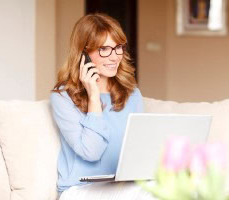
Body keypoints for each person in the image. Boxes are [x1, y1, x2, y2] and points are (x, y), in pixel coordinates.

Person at [50, 13, 154, 199]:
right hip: (79, 190)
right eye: (104, 49)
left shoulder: (132, 93)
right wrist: (94, 96)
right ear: (83, 54)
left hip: (123, 186)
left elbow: (138, 150)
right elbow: (92, 152)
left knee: (173, 187)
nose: (114, 57)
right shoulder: (62, 96)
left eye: (118, 48)